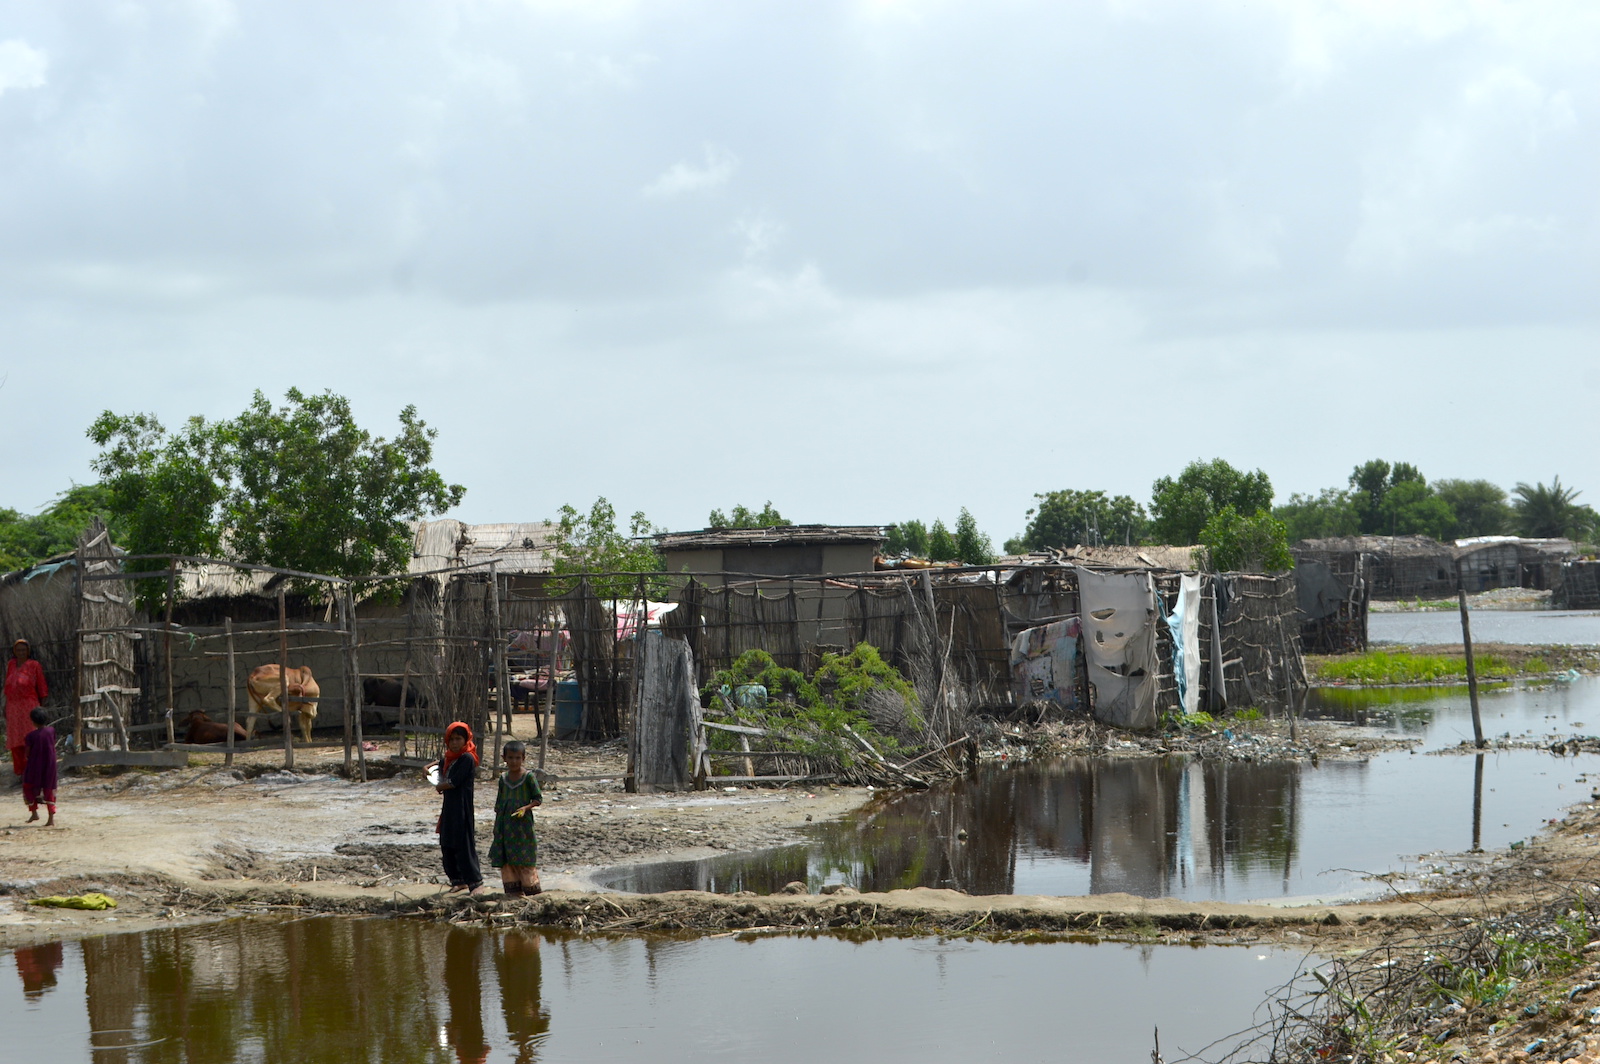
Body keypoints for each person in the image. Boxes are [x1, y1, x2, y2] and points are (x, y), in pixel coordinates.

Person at [429, 721, 485, 895]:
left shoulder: (467, 758)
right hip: (449, 807)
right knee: (447, 842)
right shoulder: (449, 758)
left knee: (463, 844)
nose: (454, 742)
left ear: (466, 739)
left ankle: (475, 882)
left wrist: (440, 786)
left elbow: (453, 782)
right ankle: (457, 880)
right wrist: (428, 769)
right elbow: (439, 767)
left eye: (458, 739)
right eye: (451, 739)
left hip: (461, 807)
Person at [488, 740, 543, 896]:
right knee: (507, 859)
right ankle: (513, 894)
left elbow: (538, 799)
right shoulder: (503, 779)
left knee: (525, 858)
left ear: (523, 758)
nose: (514, 761)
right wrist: (498, 827)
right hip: (506, 825)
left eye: (517, 758)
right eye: (510, 758)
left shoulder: (528, 777)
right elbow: (499, 803)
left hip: (523, 827)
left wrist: (526, 808)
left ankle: (531, 892)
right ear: (504, 758)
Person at [5, 639, 48, 780]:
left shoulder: (34, 665)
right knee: (15, 741)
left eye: (24, 650)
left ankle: (33, 770)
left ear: (28, 651)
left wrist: (40, 710)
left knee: (31, 739)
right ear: (14, 651)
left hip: (29, 707)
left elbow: (42, 688)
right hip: (13, 707)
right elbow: (7, 687)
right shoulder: (11, 665)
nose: (21, 653)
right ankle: (21, 772)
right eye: (18, 650)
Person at [22, 708, 56, 826]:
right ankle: (51, 818)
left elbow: (27, 752)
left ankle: (34, 812)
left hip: (35, 765)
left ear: (33, 721)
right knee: (49, 788)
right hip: (50, 765)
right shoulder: (51, 731)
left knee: (28, 787)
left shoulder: (30, 736)